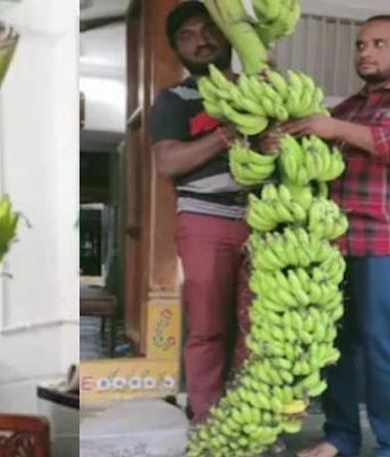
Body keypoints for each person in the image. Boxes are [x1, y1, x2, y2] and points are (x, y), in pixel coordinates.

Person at [278, 14, 390, 457]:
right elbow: (314, 158)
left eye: (380, 44)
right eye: (361, 45)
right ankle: (340, 436)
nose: (366, 52)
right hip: (331, 246)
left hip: (389, 240)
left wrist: (336, 130)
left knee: (385, 344)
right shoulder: (346, 109)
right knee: (334, 346)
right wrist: (286, 140)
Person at [149, 0, 250, 426]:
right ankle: (208, 418)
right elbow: (168, 162)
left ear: (226, 34)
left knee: (258, 327)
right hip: (205, 220)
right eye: (186, 36)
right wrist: (225, 136)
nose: (201, 41)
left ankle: (250, 418)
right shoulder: (174, 100)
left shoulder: (262, 90)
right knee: (207, 325)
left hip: (267, 222)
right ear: (178, 49)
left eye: (207, 30)